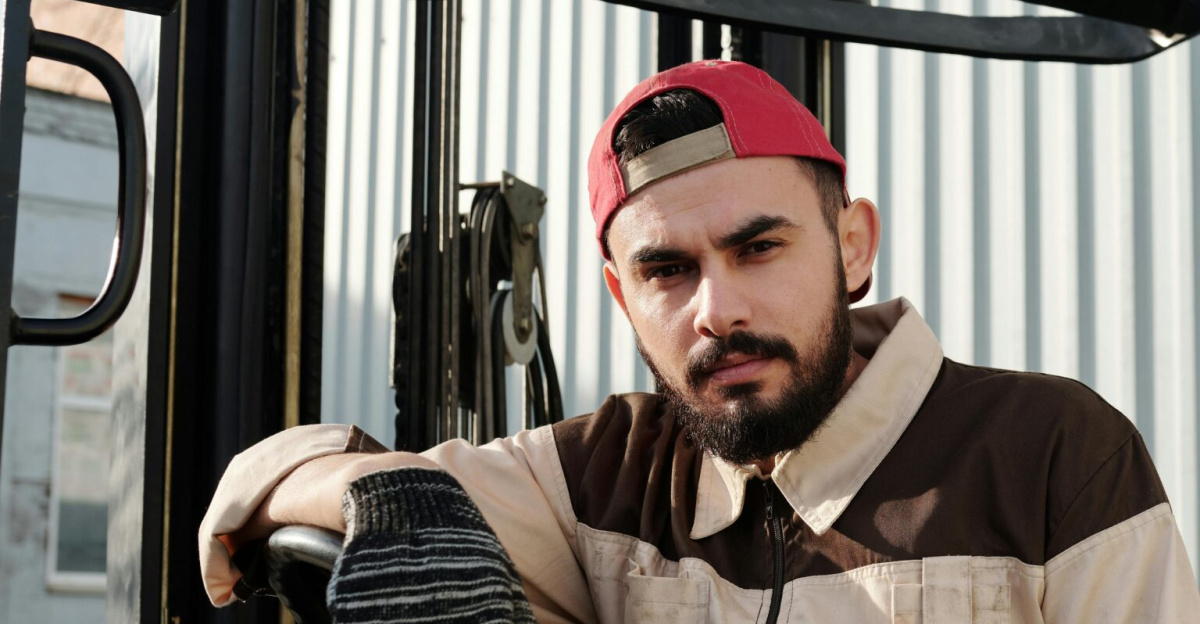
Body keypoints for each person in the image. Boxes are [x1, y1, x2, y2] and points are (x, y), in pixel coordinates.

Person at [199, 60, 1200, 622]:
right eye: (666, 270)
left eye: (758, 246)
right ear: (619, 295)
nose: (715, 308)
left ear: (854, 245)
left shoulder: (1055, 457)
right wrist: (387, 500)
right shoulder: (603, 476)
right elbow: (268, 482)